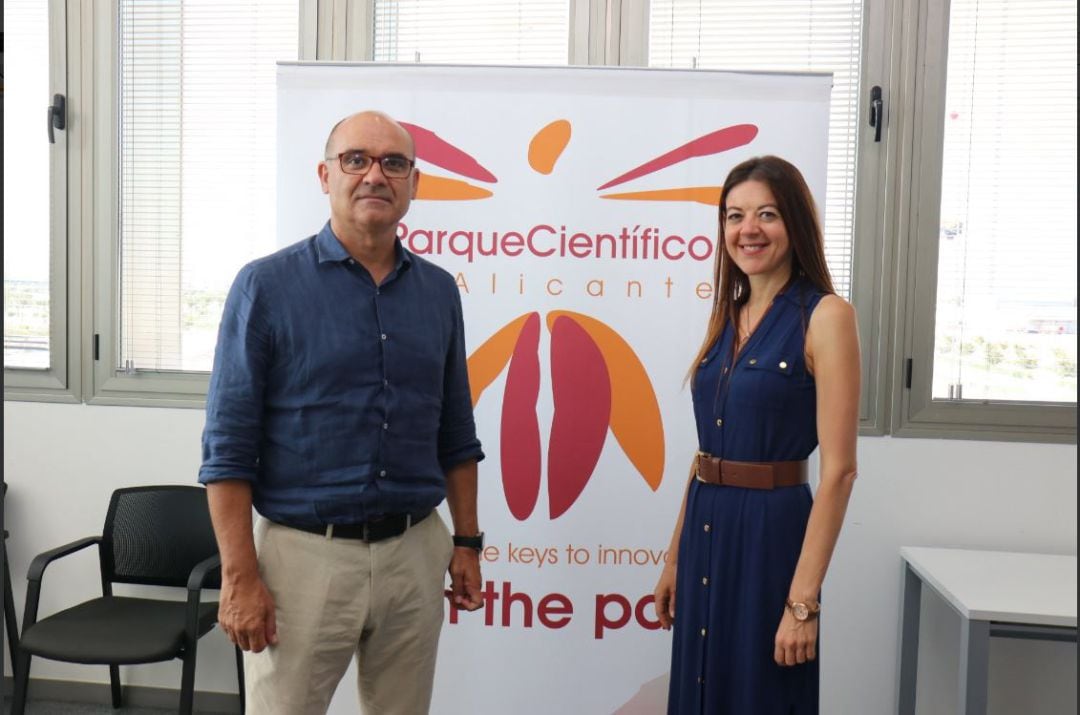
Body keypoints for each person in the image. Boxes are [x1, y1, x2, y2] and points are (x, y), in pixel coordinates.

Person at [199, 110, 486, 714]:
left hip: (414, 554)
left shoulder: (438, 292)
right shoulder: (267, 287)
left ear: (414, 183)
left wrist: (466, 543)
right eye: (356, 159)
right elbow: (228, 448)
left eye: (394, 163)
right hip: (302, 562)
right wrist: (239, 575)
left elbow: (456, 431)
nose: (374, 175)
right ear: (325, 175)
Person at [653, 155, 860, 713]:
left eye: (766, 214)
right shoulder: (729, 313)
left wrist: (802, 605)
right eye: (734, 215)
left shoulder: (827, 316)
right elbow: (705, 455)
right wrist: (675, 556)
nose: (748, 229)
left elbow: (839, 471)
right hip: (705, 524)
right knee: (700, 688)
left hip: (772, 537)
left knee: (760, 692)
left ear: (794, 223)